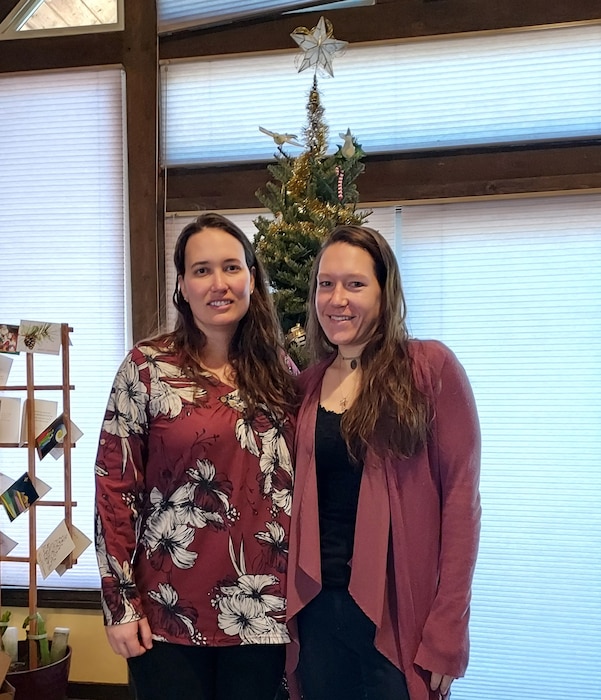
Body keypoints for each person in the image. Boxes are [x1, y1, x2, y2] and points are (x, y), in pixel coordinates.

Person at [94, 213, 298, 700]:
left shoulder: (284, 374)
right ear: (182, 286)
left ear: (252, 277)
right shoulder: (146, 368)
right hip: (168, 611)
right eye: (201, 270)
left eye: (231, 267)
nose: (218, 283)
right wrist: (120, 605)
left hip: (266, 612)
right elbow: (113, 490)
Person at [286, 224, 481, 700]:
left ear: (385, 290)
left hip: (397, 617)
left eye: (355, 284)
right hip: (316, 615)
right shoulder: (306, 386)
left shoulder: (429, 370)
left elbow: (461, 503)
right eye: (325, 284)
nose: (337, 299)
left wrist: (447, 632)